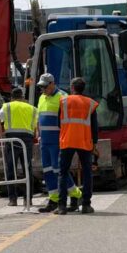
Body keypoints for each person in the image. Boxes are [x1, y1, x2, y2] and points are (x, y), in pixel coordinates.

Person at [35, 73, 82, 213]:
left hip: (57, 140)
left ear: (52, 84)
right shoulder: (41, 98)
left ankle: (76, 194)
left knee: (58, 170)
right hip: (45, 141)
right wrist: (38, 134)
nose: (43, 89)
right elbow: (39, 117)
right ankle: (53, 199)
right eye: (41, 87)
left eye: (45, 86)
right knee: (48, 171)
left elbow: (69, 120)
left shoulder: (63, 97)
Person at [56, 77, 99, 215]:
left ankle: (62, 206)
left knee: (63, 172)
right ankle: (86, 204)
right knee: (87, 172)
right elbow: (94, 126)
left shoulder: (63, 101)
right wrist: (95, 143)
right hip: (84, 141)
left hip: (67, 140)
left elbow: (58, 123)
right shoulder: (89, 103)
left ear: (72, 88)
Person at [0, 88, 37, 207]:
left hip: (11, 140)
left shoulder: (7, 106)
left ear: (11, 98)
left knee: (11, 169)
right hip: (27, 140)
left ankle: (13, 199)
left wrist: (1, 134)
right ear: (22, 97)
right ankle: (28, 199)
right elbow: (36, 125)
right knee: (27, 169)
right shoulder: (32, 108)